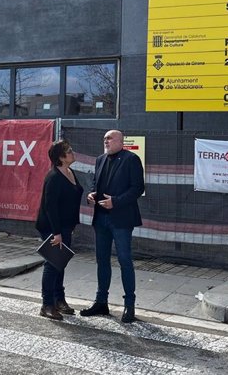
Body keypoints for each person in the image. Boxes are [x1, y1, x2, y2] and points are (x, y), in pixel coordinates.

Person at [80, 129, 144, 323]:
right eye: (104, 139)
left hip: (121, 219)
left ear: (120, 141)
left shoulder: (131, 159)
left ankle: (129, 305)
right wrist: (92, 194)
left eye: (109, 138)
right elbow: (96, 184)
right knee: (102, 260)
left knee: (125, 260)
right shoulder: (100, 159)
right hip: (101, 218)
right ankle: (101, 302)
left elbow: (138, 188)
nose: (106, 141)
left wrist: (115, 201)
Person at [35, 140, 83, 321]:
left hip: (65, 226)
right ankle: (47, 304)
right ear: (61, 158)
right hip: (52, 227)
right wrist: (57, 233)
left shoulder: (70, 172)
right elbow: (50, 207)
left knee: (60, 263)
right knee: (53, 264)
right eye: (69, 151)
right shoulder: (54, 177)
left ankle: (59, 299)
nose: (72, 153)